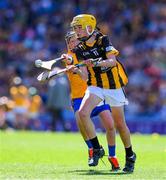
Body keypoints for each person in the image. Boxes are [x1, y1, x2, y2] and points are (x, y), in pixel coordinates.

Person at [70, 14, 136, 173]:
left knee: (120, 125)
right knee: (83, 113)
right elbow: (86, 77)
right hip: (95, 85)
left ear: (88, 26)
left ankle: (130, 155)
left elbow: (112, 61)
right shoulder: (79, 49)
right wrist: (78, 70)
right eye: (75, 28)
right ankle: (96, 148)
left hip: (113, 86)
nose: (76, 31)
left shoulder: (103, 40)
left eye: (79, 27)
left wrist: (96, 62)